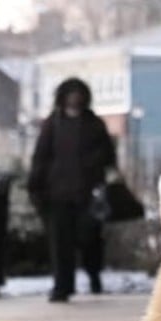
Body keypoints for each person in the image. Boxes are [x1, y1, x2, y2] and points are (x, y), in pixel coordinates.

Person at [26, 77, 117, 303]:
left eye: (78, 93)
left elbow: (109, 156)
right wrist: (35, 186)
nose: (74, 98)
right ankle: (62, 287)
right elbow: (41, 157)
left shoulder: (94, 124)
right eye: (70, 93)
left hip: (88, 195)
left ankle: (94, 274)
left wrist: (94, 169)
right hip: (57, 195)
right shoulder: (52, 125)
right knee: (60, 244)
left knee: (90, 239)